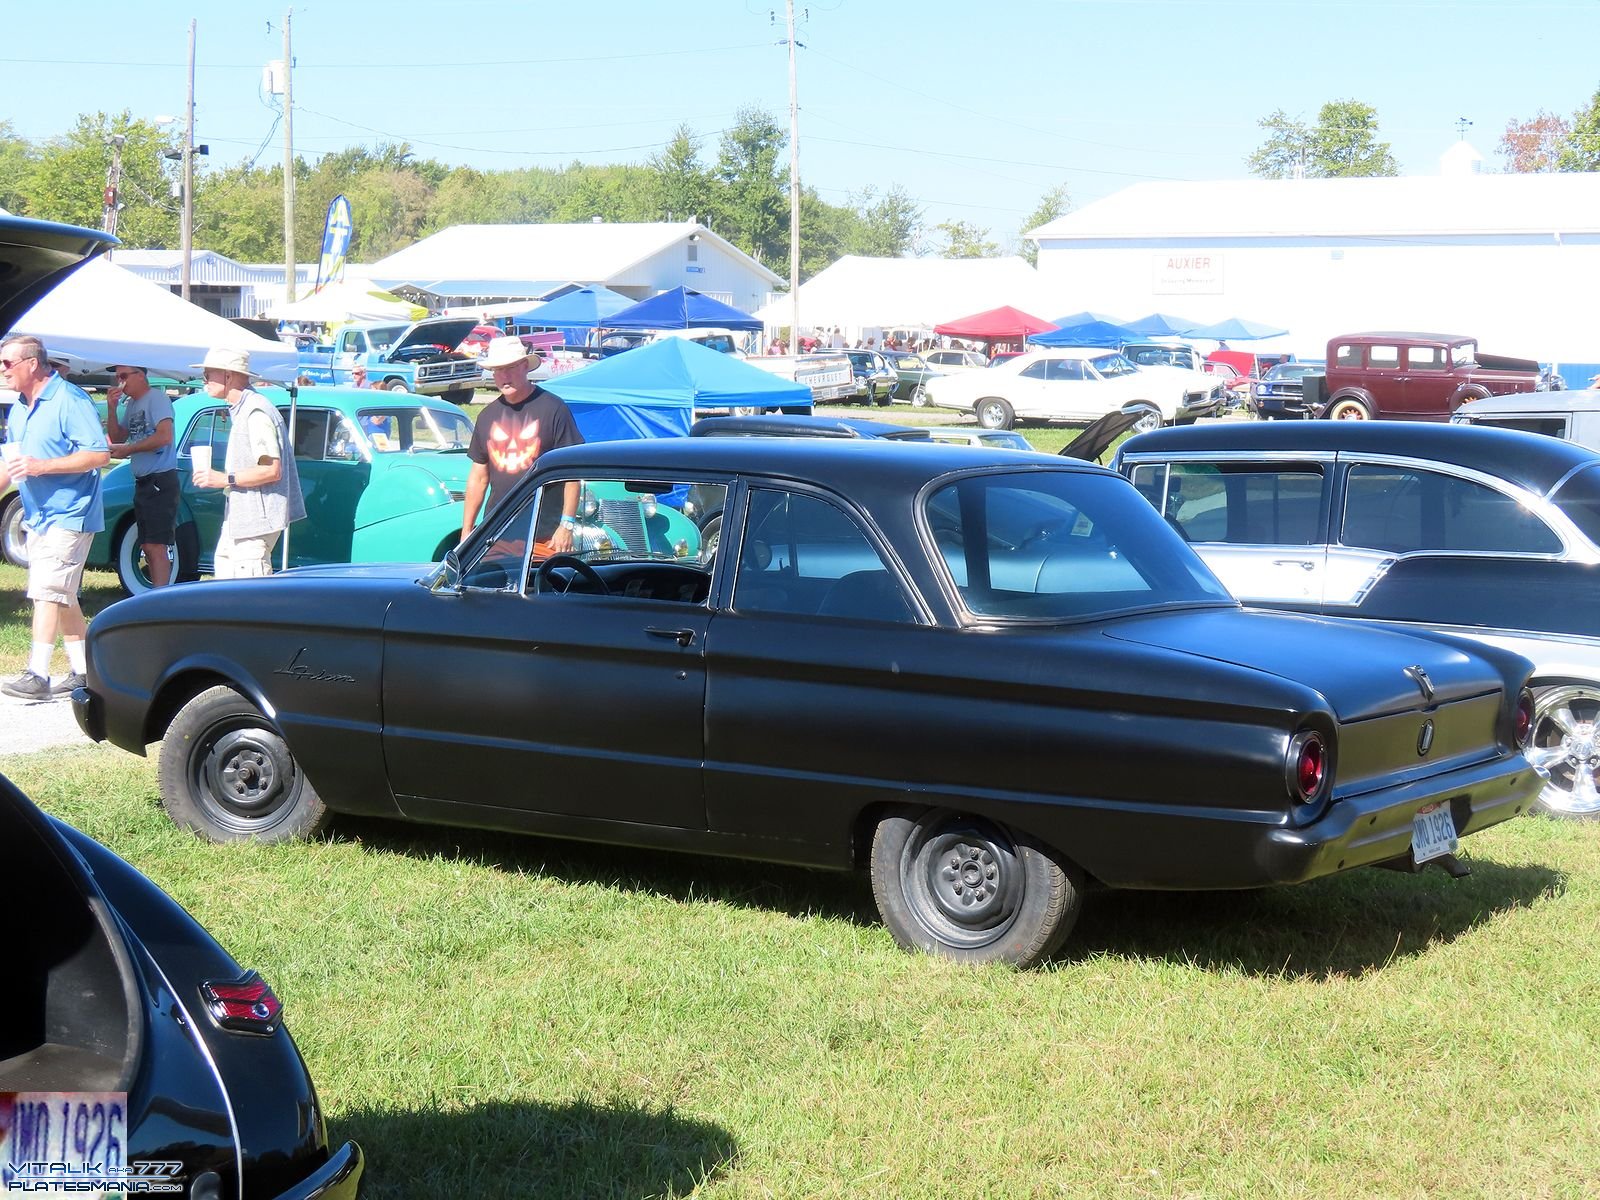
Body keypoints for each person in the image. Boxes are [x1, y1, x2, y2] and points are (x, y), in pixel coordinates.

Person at [0, 336, 110, 700]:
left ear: (32, 363)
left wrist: (42, 466)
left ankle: (38, 674)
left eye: (7, 363)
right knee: (63, 594)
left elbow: (98, 455)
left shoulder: (69, 400)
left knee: (46, 591)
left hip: (70, 512)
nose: (2, 370)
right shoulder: (18, 407)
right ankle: (82, 672)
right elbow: (12, 464)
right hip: (38, 515)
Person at [192, 347, 305, 578]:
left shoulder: (256, 412)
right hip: (242, 519)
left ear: (228, 375)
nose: (204, 381)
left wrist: (224, 479)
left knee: (250, 595)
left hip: (256, 522)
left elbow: (272, 470)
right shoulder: (244, 409)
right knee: (227, 581)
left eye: (208, 375)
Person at [462, 336, 583, 548]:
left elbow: (572, 472)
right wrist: (467, 531)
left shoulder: (554, 408)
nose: (504, 376)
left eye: (510, 368)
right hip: (495, 532)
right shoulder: (486, 416)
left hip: (545, 533)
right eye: (498, 370)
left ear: (525, 366)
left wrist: (567, 524)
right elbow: (478, 478)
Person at [105, 364, 179, 588]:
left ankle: (161, 600)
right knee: (147, 545)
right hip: (145, 481)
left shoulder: (156, 399)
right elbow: (117, 436)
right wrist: (111, 407)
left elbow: (164, 436)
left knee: (156, 545)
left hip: (159, 479)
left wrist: (129, 449)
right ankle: (157, 598)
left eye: (124, 376)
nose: (120, 381)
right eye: (117, 377)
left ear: (141, 376)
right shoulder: (133, 404)